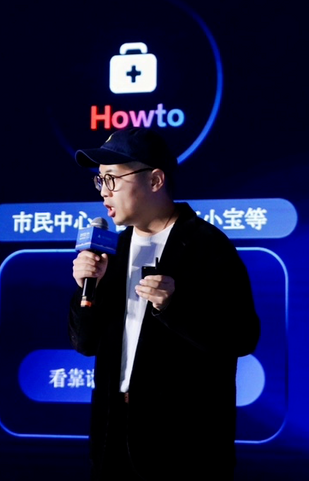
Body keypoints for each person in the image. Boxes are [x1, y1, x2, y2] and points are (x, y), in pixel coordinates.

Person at [68, 128, 260, 480]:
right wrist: (86, 288)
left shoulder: (207, 247)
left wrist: (174, 306)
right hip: (113, 440)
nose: (104, 191)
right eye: (100, 180)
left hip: (183, 449)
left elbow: (242, 337)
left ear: (155, 180)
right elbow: (84, 344)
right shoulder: (112, 250)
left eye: (113, 179)